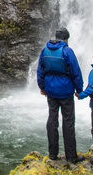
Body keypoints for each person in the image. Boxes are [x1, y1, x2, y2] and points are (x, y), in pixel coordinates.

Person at [37, 27, 85, 163]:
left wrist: (42, 87)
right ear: (66, 38)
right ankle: (71, 156)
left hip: (51, 90)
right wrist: (79, 90)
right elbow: (75, 71)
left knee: (52, 120)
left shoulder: (45, 50)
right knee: (68, 122)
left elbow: (40, 71)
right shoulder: (67, 50)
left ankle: (52, 154)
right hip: (66, 91)